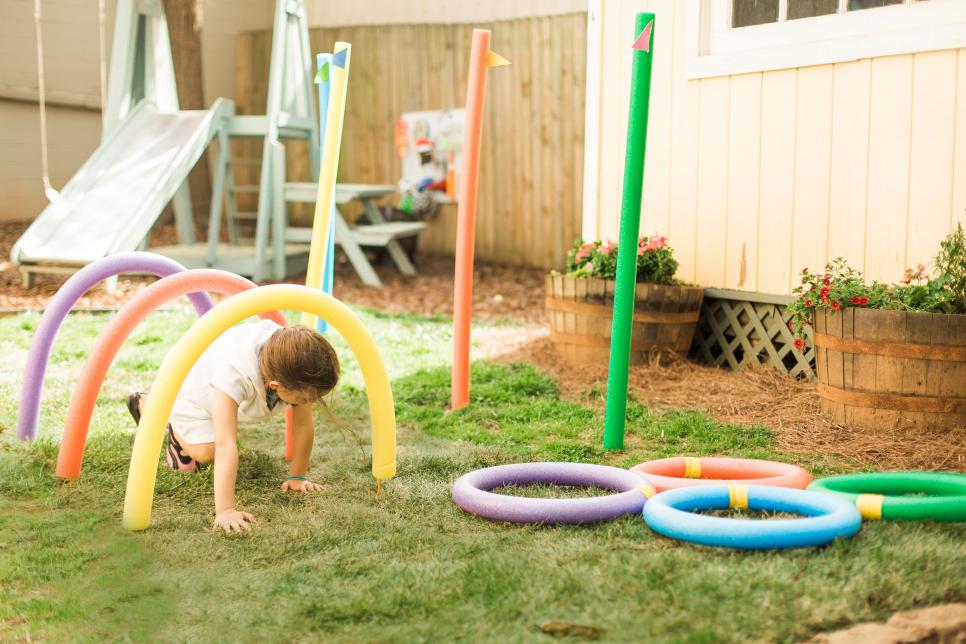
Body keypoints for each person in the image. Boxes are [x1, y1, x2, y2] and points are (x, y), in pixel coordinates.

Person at [127, 320, 340, 534]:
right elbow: (225, 443)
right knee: (207, 451)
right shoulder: (235, 372)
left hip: (222, 392)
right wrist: (225, 510)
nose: (308, 403)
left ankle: (164, 413)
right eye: (304, 399)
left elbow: (303, 425)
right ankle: (156, 410)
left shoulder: (293, 363)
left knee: (223, 429)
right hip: (192, 394)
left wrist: (297, 476)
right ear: (275, 386)